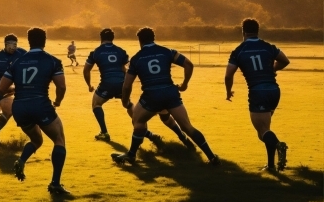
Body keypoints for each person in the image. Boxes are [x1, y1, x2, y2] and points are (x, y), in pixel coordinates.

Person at [112, 27, 219, 166]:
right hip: (170, 93)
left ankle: (132, 155)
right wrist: (185, 84)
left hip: (151, 96)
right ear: (153, 38)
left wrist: (125, 102)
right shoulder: (167, 51)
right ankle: (212, 157)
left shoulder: (136, 58)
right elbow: (188, 64)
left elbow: (126, 85)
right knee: (187, 127)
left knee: (138, 122)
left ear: (140, 41)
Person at [83, 27, 190, 148]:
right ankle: (156, 135)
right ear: (113, 38)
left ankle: (105, 132)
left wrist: (89, 85)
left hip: (106, 84)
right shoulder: (121, 51)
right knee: (131, 107)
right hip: (123, 84)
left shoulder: (96, 52)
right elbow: (127, 69)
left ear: (101, 38)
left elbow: (86, 70)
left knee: (96, 104)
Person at [0, 27, 71, 196]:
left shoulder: (17, 62)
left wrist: (18, 88)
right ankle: (55, 183)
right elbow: (61, 86)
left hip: (20, 108)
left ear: (29, 41)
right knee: (59, 140)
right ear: (44, 41)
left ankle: (22, 160)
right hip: (40, 104)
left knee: (36, 140)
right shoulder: (52, 61)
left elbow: (1, 89)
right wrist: (57, 102)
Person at [225, 18, 289, 172]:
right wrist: (273, 69)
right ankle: (271, 166)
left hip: (258, 92)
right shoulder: (268, 47)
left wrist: (228, 91)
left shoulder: (239, 50)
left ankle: (279, 145)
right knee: (266, 130)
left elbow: (228, 75)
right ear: (258, 31)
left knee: (262, 132)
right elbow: (284, 60)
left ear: (243, 31)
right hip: (274, 90)